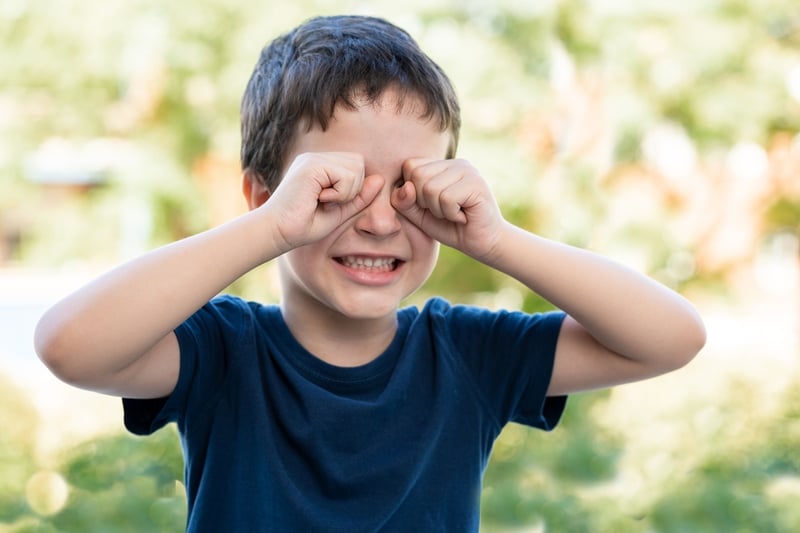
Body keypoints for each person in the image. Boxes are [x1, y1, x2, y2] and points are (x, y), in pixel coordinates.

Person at [34, 14, 706, 532]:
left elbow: (673, 337)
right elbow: (69, 343)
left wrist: (498, 241)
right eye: (338, 187)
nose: (381, 222)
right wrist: (268, 228)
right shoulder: (222, 351)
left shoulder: (468, 354)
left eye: (412, 186)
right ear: (264, 195)